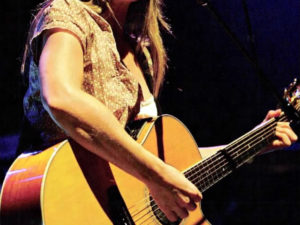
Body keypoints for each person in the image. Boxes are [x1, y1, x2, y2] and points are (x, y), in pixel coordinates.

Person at [19, 0, 297, 223]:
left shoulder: (140, 49)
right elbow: (60, 96)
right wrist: (155, 175)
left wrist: (250, 144)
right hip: (67, 204)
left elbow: (164, 161)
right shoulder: (67, 13)